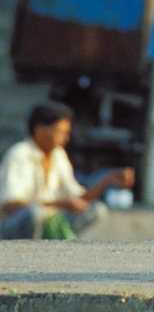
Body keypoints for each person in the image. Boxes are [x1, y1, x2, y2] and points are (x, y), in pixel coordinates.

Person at [1, 101, 134, 239]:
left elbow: (78, 199)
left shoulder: (58, 154)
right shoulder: (19, 154)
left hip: (48, 222)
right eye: (60, 132)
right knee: (34, 214)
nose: (66, 138)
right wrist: (59, 204)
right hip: (13, 225)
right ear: (40, 129)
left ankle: (55, 245)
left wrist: (108, 179)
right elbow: (11, 205)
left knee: (95, 210)